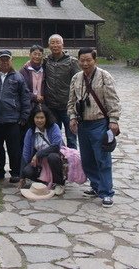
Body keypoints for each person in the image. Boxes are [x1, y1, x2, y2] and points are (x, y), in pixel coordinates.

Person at [67, 47, 121, 208]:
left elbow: (113, 100)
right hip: (83, 124)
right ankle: (96, 186)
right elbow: (71, 101)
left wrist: (113, 120)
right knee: (88, 159)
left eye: (88, 60)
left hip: (100, 123)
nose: (85, 63)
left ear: (94, 60)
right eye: (82, 60)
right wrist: (72, 117)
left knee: (102, 159)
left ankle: (106, 193)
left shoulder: (105, 76)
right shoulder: (76, 78)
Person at [0, 49, 31, 183]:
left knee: (14, 148)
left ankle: (15, 172)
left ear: (11, 60)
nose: (4, 62)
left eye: (7, 59)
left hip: (12, 119)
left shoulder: (18, 77)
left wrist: (24, 116)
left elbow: (25, 98)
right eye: (2, 59)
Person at [21, 104, 65, 195]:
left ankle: (59, 183)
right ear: (33, 118)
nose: (39, 120)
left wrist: (38, 154)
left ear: (46, 118)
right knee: (27, 171)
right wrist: (22, 176)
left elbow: (56, 146)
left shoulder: (54, 127)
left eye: (42, 117)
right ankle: (44, 180)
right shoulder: (30, 132)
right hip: (40, 163)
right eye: (37, 117)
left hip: (54, 159)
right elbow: (25, 154)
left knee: (53, 157)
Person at [44, 34, 79, 149]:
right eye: (52, 43)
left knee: (71, 137)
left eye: (57, 42)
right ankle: (58, 162)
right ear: (49, 45)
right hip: (52, 107)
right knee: (54, 137)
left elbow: (78, 82)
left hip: (67, 107)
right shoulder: (46, 61)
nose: (55, 45)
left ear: (62, 45)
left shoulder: (72, 62)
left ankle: (73, 163)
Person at [20, 45, 45, 110]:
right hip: (28, 104)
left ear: (42, 56)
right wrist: (34, 97)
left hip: (43, 104)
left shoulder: (45, 70)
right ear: (30, 55)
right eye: (34, 54)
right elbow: (22, 89)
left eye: (39, 54)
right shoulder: (23, 71)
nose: (37, 56)